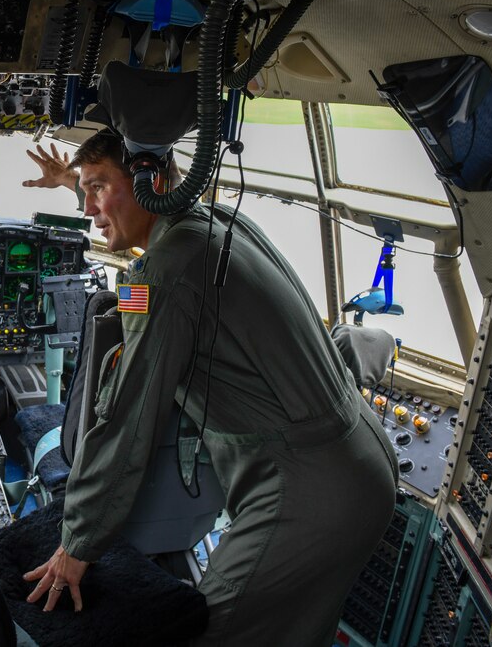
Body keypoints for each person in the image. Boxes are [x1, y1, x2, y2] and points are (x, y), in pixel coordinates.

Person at [21, 132, 398, 645]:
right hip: (360, 461)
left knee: (202, 633)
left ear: (151, 183)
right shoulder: (219, 222)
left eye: (97, 188)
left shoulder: (157, 276)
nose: (88, 208)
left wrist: (76, 544)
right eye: (83, 190)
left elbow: (126, 420)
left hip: (308, 493)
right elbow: (142, 284)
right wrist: (78, 183)